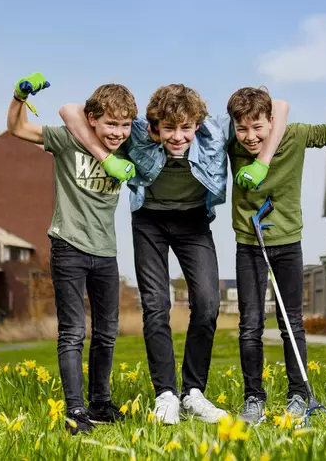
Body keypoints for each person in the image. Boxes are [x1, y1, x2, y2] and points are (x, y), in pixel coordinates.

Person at [60, 84, 289, 424]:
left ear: (197, 122)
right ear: (156, 125)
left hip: (194, 221)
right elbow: (68, 110)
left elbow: (280, 106)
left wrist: (264, 163)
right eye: (169, 128)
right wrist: (105, 157)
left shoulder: (215, 129)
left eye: (185, 128)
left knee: (209, 304)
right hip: (149, 221)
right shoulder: (138, 130)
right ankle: (165, 394)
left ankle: (193, 393)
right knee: (156, 306)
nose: (178, 137)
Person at [7, 72, 137, 435]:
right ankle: (75, 411)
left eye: (125, 125)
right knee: (73, 332)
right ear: (92, 120)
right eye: (111, 123)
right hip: (68, 246)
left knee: (107, 332)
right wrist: (19, 97)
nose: (118, 132)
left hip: (106, 251)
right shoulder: (68, 140)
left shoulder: (127, 146)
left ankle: (100, 403)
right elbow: (18, 129)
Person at [226, 86, 326, 426]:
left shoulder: (296, 135)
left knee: (291, 323)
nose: (249, 137)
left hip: (287, 243)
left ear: (272, 120)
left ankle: (298, 396)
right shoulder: (232, 143)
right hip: (249, 243)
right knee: (249, 326)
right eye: (242, 129)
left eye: (257, 128)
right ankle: (253, 399)